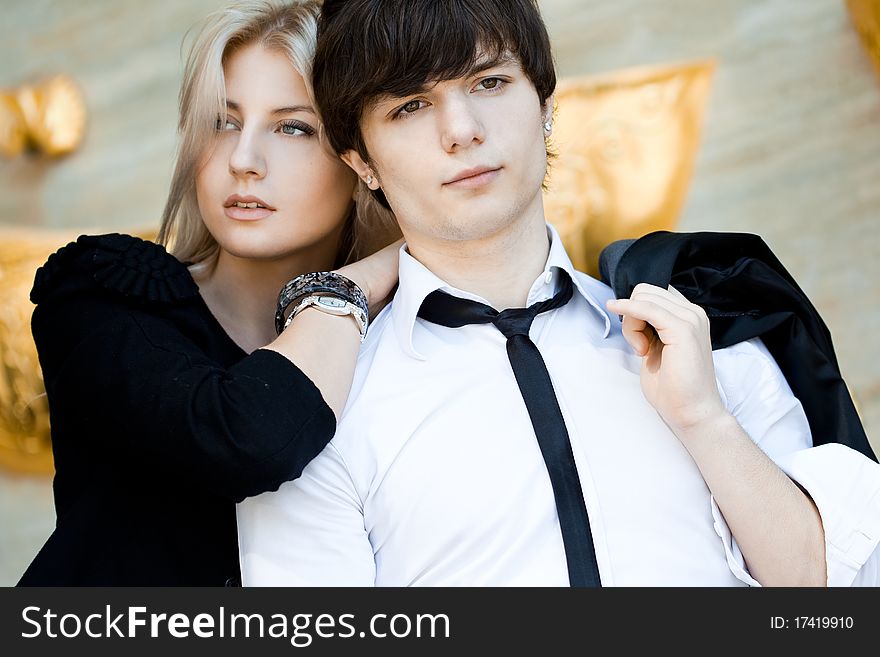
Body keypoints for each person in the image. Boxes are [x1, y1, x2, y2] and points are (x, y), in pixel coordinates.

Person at [236, 0, 880, 586]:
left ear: (545, 105)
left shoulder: (699, 333)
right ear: (362, 162)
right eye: (410, 106)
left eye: (489, 83)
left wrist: (704, 420)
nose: (460, 129)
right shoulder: (324, 417)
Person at [17, 0, 400, 586]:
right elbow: (245, 437)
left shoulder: (405, 341)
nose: (243, 160)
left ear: (363, 163)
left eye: (294, 127)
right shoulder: (105, 295)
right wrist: (350, 286)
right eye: (223, 121)